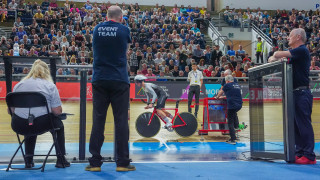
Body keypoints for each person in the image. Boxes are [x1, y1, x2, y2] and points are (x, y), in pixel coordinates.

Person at [86, 5, 135, 172]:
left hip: (99, 78)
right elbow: (126, 50)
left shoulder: (97, 29)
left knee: (98, 121)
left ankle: (94, 163)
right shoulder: (124, 30)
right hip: (119, 79)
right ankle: (122, 162)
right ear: (121, 17)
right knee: (121, 121)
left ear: (107, 16)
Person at [9, 59, 70, 168]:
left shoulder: (18, 86)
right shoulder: (50, 86)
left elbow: (11, 111)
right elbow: (57, 111)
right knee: (58, 125)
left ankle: (28, 160)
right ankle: (61, 159)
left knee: (29, 122)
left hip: (19, 124)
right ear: (46, 72)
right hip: (41, 124)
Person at [268, 28, 316, 164]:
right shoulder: (294, 54)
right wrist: (276, 57)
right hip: (294, 92)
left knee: (303, 124)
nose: (288, 38)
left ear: (298, 37)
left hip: (301, 93)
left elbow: (276, 54)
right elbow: (272, 59)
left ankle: (309, 155)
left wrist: (277, 55)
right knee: (296, 125)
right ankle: (300, 152)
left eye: (290, 36)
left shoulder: (302, 50)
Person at [216, 75, 242, 145]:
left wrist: (217, 97)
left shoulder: (227, 85)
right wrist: (224, 97)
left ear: (227, 81)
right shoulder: (236, 85)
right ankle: (236, 127)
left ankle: (233, 139)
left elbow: (221, 92)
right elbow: (232, 94)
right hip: (239, 105)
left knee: (230, 122)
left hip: (232, 105)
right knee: (233, 116)